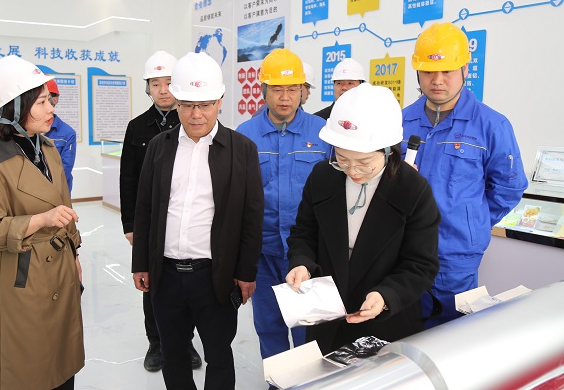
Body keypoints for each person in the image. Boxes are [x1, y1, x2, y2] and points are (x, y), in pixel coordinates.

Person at [131, 52, 264, 390]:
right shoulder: (158, 147)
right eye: (188, 105)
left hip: (215, 277)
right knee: (173, 355)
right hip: (166, 275)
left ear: (219, 102)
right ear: (176, 102)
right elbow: (144, 208)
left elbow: (252, 216)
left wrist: (246, 271)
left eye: (204, 105)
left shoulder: (241, 150)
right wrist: (141, 263)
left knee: (219, 354)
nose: (196, 114)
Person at [286, 83, 441, 355]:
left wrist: (387, 295)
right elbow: (304, 232)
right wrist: (302, 263)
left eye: (365, 163)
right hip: (328, 317)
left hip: (384, 322)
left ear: (389, 150)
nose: (353, 171)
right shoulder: (323, 177)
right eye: (342, 159)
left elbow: (420, 264)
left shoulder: (413, 190)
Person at [0, 55, 84, 390]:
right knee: (28, 366)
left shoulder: (47, 149)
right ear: (14, 108)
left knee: (62, 361)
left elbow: (64, 204)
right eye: (42, 102)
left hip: (61, 266)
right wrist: (39, 220)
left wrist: (76, 253)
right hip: (23, 277)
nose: (51, 110)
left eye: (50, 100)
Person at [402, 22, 528, 328]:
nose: (437, 80)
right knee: (401, 332)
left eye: (447, 71)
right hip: (402, 251)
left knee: (452, 334)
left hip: (455, 256)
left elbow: (509, 188)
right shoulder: (401, 122)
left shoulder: (491, 125)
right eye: (428, 72)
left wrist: (472, 220)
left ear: (465, 69)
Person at [236, 48, 330, 361]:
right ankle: (277, 381)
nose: (285, 97)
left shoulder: (322, 133)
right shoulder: (245, 135)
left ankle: (309, 381)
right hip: (262, 252)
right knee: (269, 325)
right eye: (277, 89)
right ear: (263, 90)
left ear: (303, 90)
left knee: (308, 327)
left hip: (308, 253)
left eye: (293, 89)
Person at [119, 50, 202, 372]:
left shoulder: (193, 123)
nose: (163, 90)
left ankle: (185, 341)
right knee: (151, 283)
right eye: (156, 84)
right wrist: (130, 225)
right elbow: (127, 179)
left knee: (188, 284)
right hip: (150, 222)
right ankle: (156, 342)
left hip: (186, 220)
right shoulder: (137, 128)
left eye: (168, 83)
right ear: (148, 88)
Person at [44, 79, 77, 192]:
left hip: (58, 191)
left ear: (54, 100)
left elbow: (66, 168)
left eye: (44, 99)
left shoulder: (67, 133)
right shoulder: (28, 131)